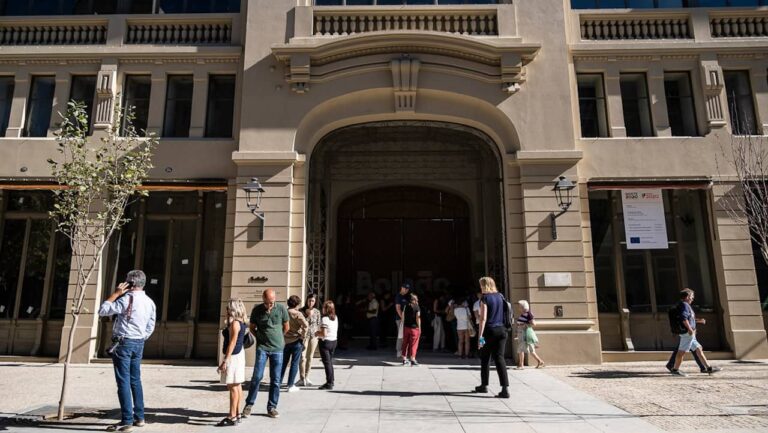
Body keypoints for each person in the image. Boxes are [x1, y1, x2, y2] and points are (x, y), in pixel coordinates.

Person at [98, 270, 157, 432]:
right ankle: (140, 417)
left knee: (123, 381)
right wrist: (141, 337)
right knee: (135, 380)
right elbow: (151, 325)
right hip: (138, 342)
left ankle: (127, 420)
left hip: (124, 342)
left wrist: (115, 293)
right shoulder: (149, 302)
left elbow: (103, 310)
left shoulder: (126, 299)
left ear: (131, 283)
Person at [242, 288, 289, 419]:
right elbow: (252, 327)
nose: (270, 305)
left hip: (278, 349)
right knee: (257, 377)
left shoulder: (281, 309)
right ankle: (249, 405)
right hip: (262, 348)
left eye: (272, 302)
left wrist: (278, 338)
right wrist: (260, 338)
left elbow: (286, 327)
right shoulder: (257, 310)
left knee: (276, 380)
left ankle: (272, 407)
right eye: (267, 303)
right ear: (263, 299)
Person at [669, 288, 721, 376]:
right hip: (688, 333)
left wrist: (698, 321)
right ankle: (675, 370)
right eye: (692, 296)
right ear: (687, 297)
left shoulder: (685, 305)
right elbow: (683, 318)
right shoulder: (684, 305)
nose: (693, 298)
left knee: (698, 349)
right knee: (681, 352)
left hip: (690, 333)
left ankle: (708, 368)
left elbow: (690, 319)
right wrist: (689, 329)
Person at [474, 276, 510, 399]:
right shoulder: (500, 296)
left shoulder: (485, 298)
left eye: (481, 285)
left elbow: (483, 318)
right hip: (502, 330)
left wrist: (480, 336)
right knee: (500, 358)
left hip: (489, 330)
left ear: (484, 286)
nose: (480, 288)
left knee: (485, 358)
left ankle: (484, 385)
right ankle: (505, 389)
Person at [216, 298, 248, 427]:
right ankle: (237, 413)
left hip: (234, 356)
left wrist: (225, 360)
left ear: (232, 309)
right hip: (239, 355)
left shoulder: (235, 323)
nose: (226, 310)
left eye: (228, 308)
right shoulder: (240, 322)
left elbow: (232, 342)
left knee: (233, 386)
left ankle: (232, 416)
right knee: (237, 385)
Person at [280, 295, 308, 392]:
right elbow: (306, 325)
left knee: (283, 363)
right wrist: (303, 336)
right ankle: (290, 385)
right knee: (294, 363)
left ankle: (278, 382)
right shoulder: (298, 314)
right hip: (296, 341)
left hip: (286, 341)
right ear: (297, 304)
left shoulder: (284, 312)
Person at [299, 294, 321, 386]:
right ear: (306, 300)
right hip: (304, 336)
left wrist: (319, 335)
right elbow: (301, 323)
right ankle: (302, 378)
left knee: (310, 357)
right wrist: (308, 316)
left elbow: (319, 324)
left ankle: (307, 377)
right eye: (309, 300)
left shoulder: (317, 312)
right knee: (302, 357)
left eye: (312, 301)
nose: (311, 302)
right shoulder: (301, 311)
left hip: (313, 336)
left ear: (315, 302)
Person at [515, 300, 544, 369]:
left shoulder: (528, 314)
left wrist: (523, 324)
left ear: (523, 307)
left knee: (521, 349)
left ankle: (521, 365)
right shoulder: (523, 314)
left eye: (519, 306)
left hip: (525, 334)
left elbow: (534, 324)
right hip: (522, 333)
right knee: (531, 350)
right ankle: (540, 361)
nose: (518, 308)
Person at [317, 300, 339, 390]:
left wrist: (317, 333)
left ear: (326, 309)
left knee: (327, 363)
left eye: (323, 307)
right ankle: (331, 380)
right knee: (329, 362)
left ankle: (329, 383)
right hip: (334, 341)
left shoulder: (325, 319)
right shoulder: (335, 317)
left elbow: (324, 333)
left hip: (325, 342)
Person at [401, 294, 422, 366]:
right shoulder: (417, 307)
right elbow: (418, 318)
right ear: (413, 300)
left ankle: (404, 359)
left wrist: (404, 325)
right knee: (413, 344)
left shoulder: (405, 306)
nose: (417, 300)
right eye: (416, 299)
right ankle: (412, 359)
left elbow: (403, 316)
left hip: (406, 328)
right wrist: (419, 328)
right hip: (414, 328)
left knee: (405, 343)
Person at [394, 282, 412, 358]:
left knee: (405, 336)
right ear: (402, 288)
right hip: (400, 319)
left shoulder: (405, 297)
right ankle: (399, 352)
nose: (407, 290)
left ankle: (403, 352)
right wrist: (403, 318)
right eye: (405, 288)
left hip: (405, 319)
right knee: (401, 336)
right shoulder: (398, 296)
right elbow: (398, 308)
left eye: (407, 289)